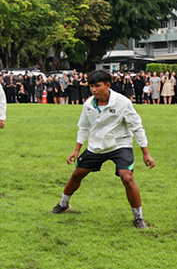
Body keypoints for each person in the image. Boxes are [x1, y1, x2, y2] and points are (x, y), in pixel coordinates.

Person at [52, 70, 155, 229]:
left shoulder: (122, 102)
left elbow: (137, 127)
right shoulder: (88, 104)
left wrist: (146, 153)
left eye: (97, 86)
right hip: (97, 146)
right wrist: (76, 150)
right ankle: (63, 204)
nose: (93, 89)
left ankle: (138, 217)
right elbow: (84, 128)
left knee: (126, 177)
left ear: (108, 85)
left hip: (120, 145)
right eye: (91, 86)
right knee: (77, 173)